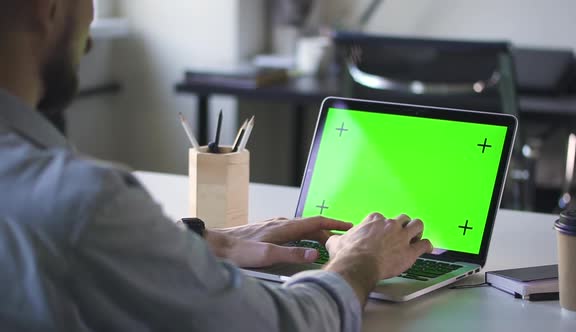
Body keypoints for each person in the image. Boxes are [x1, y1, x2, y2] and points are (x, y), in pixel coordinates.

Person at [0, 1, 433, 331]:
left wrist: (204, 241)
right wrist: (360, 260)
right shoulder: (81, 200)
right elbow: (289, 323)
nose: (89, 40)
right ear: (48, 7)